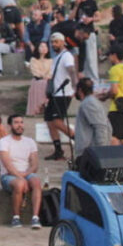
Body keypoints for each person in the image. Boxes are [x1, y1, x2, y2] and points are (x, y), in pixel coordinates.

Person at [0, 115, 42, 229]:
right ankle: (16, 218)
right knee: (19, 184)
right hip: (8, 176)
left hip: (26, 173)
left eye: (21, 122)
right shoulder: (4, 142)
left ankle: (35, 218)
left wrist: (25, 175)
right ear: (10, 125)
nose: (19, 125)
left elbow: (35, 165)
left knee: (36, 181)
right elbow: (8, 165)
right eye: (16, 123)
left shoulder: (30, 142)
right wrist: (21, 178)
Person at [45, 32, 78, 161]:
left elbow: (71, 70)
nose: (54, 44)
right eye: (52, 42)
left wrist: (75, 87)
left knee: (57, 121)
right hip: (55, 93)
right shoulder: (57, 57)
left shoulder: (66, 56)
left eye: (56, 42)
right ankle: (58, 150)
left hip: (63, 93)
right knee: (49, 121)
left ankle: (77, 138)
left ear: (63, 42)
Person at [74, 78, 111, 155]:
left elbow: (101, 127)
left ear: (80, 90)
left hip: (90, 153)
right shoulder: (92, 102)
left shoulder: (89, 103)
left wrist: (101, 152)